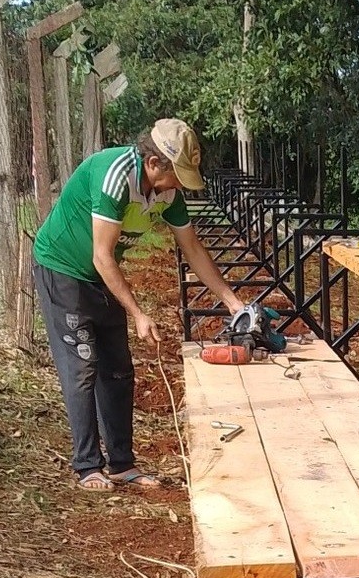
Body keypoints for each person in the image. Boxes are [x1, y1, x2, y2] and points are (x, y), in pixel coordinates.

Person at [32, 118, 244, 492]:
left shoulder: (167, 193)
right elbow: (102, 255)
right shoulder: (115, 176)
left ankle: (121, 464)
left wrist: (232, 302)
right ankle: (87, 466)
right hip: (62, 268)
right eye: (177, 175)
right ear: (154, 163)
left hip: (102, 274)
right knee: (82, 366)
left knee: (118, 368)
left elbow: (192, 248)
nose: (180, 185)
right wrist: (138, 313)